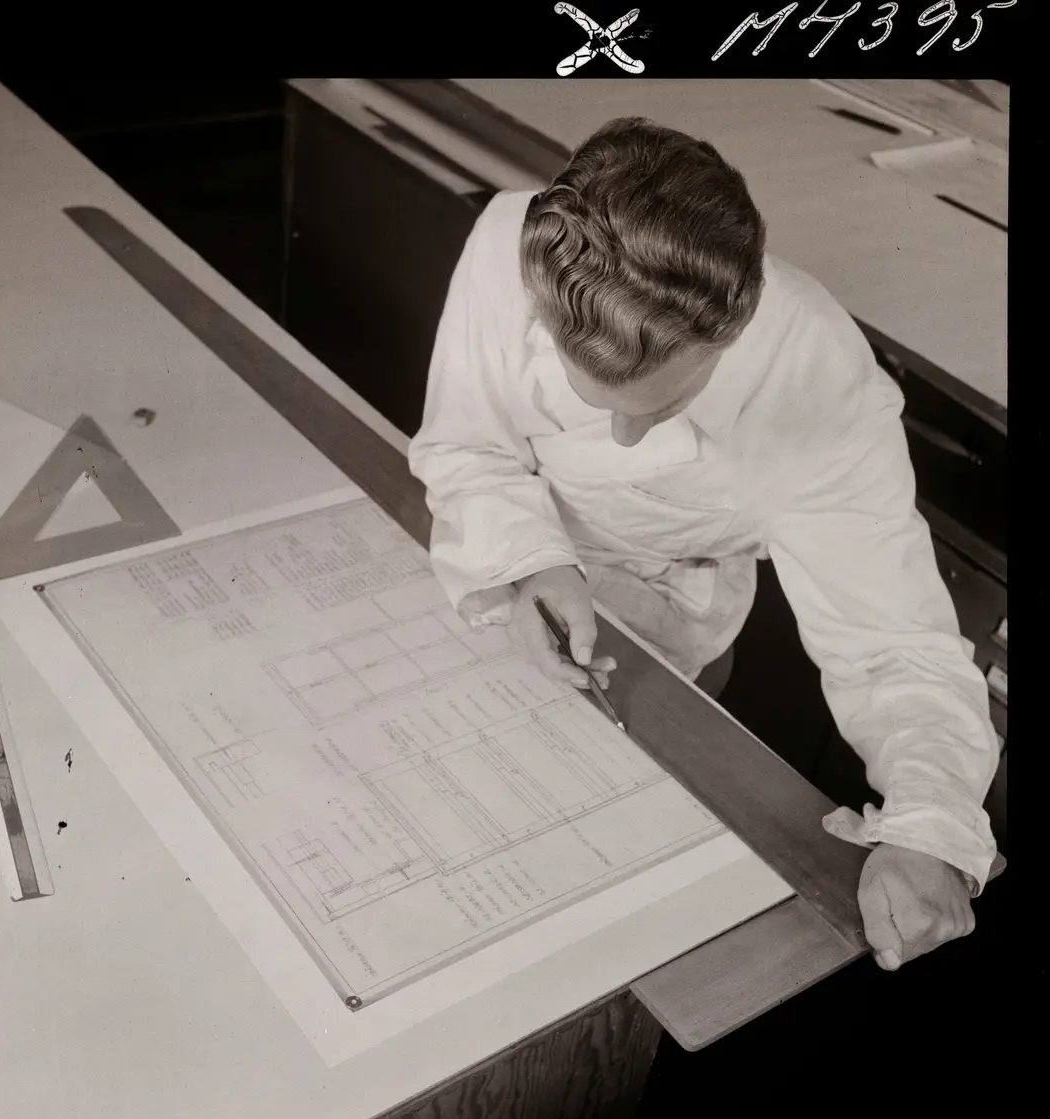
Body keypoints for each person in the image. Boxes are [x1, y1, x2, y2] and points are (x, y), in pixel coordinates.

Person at [408, 117, 998, 972]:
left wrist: (933, 827)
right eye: (597, 399)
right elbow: (468, 447)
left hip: (675, 622)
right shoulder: (507, 243)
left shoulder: (817, 379)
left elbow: (893, 643)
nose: (623, 438)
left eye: (662, 407)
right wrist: (534, 561)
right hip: (504, 572)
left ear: (740, 320)